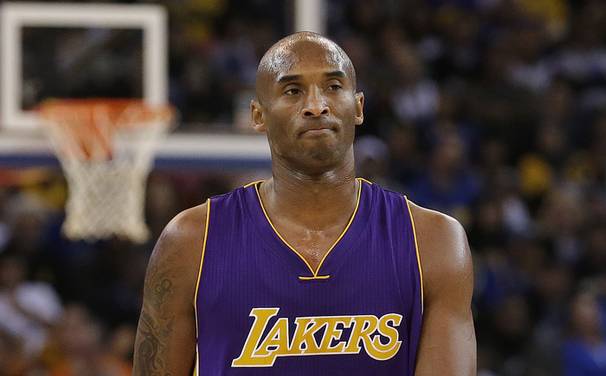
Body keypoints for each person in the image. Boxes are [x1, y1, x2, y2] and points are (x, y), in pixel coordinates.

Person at [132, 32, 475, 375]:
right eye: (292, 90)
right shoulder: (191, 241)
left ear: (358, 107)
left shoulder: (433, 241)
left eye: (333, 87)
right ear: (257, 115)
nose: (316, 105)